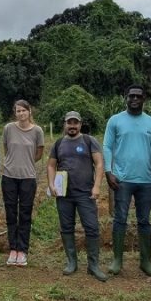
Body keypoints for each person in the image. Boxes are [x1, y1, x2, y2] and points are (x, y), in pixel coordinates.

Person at [103, 84, 151, 277]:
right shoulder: (115, 120)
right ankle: (117, 260)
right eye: (131, 96)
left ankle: (146, 261)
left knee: (144, 220)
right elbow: (107, 146)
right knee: (120, 218)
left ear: (144, 99)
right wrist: (108, 171)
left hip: (146, 180)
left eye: (138, 96)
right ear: (125, 98)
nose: (134, 99)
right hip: (122, 180)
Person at [46, 111, 108, 282]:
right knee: (66, 227)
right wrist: (51, 185)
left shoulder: (89, 141)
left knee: (92, 227)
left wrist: (96, 186)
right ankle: (71, 262)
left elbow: (99, 163)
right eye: (69, 123)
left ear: (80, 124)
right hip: (64, 194)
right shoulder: (58, 143)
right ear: (65, 124)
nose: (72, 126)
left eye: (75, 123)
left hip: (86, 194)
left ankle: (93, 265)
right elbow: (51, 165)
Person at [1, 100, 44, 267]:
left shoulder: (37, 131)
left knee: (25, 214)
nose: (21, 114)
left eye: (23, 111)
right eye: (18, 111)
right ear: (15, 113)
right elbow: (6, 149)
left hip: (28, 177)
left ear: (29, 111)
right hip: (9, 176)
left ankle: (22, 251)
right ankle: (13, 249)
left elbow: (39, 153)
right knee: (11, 213)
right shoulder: (8, 129)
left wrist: (26, 162)